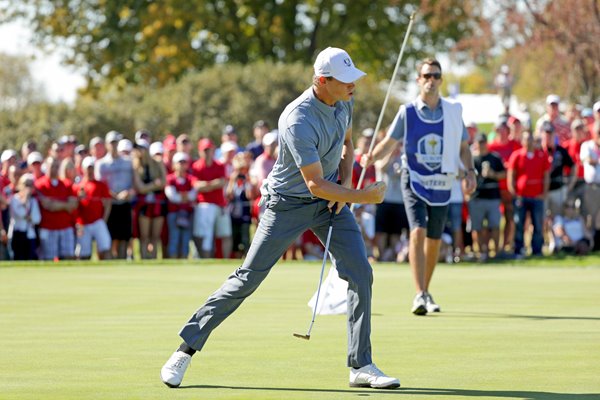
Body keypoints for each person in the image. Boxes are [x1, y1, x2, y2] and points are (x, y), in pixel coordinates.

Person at [160, 47, 399, 390]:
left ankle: (361, 365)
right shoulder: (297, 118)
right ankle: (185, 349)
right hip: (285, 204)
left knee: (361, 273)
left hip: (329, 201)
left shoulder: (344, 101)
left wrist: (345, 185)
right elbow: (314, 184)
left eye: (352, 79)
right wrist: (362, 197)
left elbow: (347, 146)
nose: (353, 85)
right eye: (345, 80)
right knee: (247, 279)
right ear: (321, 81)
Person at [362, 57, 476, 315]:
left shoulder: (453, 111)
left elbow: (463, 148)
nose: (431, 81)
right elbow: (389, 143)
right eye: (427, 76)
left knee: (434, 239)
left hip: (442, 181)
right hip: (413, 178)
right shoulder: (408, 112)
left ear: (441, 80)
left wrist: (470, 171)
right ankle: (418, 294)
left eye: (436, 76)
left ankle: (426, 290)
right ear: (419, 80)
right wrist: (372, 157)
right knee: (417, 231)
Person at [507, 131, 550, 258]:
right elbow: (511, 175)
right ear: (523, 141)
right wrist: (514, 192)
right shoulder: (517, 155)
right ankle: (519, 248)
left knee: (537, 224)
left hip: (537, 197)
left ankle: (536, 249)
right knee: (519, 223)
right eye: (526, 139)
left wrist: (544, 193)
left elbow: (546, 176)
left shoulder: (541, 156)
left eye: (531, 139)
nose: (529, 142)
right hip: (521, 196)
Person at [95, 130, 135, 259]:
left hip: (125, 203)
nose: (114, 145)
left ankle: (123, 263)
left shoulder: (128, 162)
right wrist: (110, 194)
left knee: (124, 238)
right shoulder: (101, 164)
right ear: (107, 144)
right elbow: (99, 185)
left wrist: (128, 192)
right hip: (109, 206)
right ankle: (111, 262)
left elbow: (135, 182)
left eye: (116, 142)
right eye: (111, 142)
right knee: (110, 237)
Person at [191, 138, 232, 259]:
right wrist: (213, 184)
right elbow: (197, 186)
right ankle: (205, 259)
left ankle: (225, 260)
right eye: (205, 150)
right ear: (200, 151)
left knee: (226, 234)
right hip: (204, 206)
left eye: (210, 149)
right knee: (205, 236)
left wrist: (206, 185)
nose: (208, 152)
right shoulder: (196, 166)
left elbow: (222, 182)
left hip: (220, 205)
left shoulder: (219, 165)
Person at [469, 133, 505, 261]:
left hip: (493, 197)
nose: (481, 144)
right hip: (477, 197)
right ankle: (481, 253)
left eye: (483, 142)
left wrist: (492, 174)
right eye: (479, 142)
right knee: (476, 227)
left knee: (495, 226)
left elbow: (504, 174)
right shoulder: (471, 159)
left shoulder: (494, 157)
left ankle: (495, 252)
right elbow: (466, 177)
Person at [35, 157, 78, 260]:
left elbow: (73, 205)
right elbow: (48, 206)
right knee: (49, 258)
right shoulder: (40, 184)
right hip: (48, 228)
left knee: (68, 257)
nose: (54, 169)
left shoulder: (66, 184)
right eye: (52, 166)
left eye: (56, 166)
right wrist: (65, 205)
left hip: (65, 227)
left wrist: (56, 205)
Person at [72, 157, 112, 260]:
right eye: (88, 168)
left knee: (105, 248)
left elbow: (108, 203)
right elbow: (74, 207)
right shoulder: (77, 186)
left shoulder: (101, 185)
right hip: (83, 224)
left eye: (91, 168)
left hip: (98, 221)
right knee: (84, 254)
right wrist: (78, 198)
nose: (89, 170)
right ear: (83, 169)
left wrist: (104, 220)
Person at [164, 152, 197, 259]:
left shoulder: (191, 178)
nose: (182, 165)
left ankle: (184, 261)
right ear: (174, 164)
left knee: (185, 239)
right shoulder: (170, 179)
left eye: (184, 162)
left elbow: (194, 195)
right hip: (174, 213)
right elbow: (172, 197)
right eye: (180, 162)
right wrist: (185, 196)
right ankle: (173, 261)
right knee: (174, 238)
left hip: (188, 214)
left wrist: (181, 196)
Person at [8, 173, 41, 260]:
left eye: (30, 185)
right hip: (17, 233)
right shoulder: (14, 199)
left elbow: (37, 219)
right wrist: (25, 200)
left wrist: (29, 217)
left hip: (30, 235)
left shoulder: (33, 201)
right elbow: (20, 214)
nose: (28, 188)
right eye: (26, 184)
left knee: (30, 257)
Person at [579, 120, 600, 250]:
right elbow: (588, 160)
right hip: (591, 186)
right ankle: (590, 243)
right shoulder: (587, 145)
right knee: (590, 217)